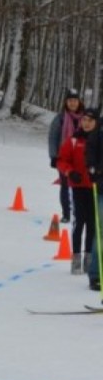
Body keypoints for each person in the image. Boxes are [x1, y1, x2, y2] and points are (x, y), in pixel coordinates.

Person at [56, 108, 97, 275]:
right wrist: (69, 171)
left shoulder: (98, 141)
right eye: (84, 120)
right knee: (78, 223)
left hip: (95, 188)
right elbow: (62, 160)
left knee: (93, 224)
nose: (86, 123)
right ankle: (76, 259)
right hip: (78, 188)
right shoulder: (73, 140)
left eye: (90, 120)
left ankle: (89, 259)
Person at [48, 88, 84, 223]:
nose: (73, 103)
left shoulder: (85, 117)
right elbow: (53, 137)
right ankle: (66, 214)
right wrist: (53, 156)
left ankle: (79, 212)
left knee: (80, 186)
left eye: (75, 100)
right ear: (66, 102)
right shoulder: (60, 118)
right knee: (64, 185)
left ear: (79, 102)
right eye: (70, 101)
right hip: (63, 158)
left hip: (80, 158)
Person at [85, 109, 103, 290]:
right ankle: (96, 274)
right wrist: (93, 169)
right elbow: (89, 153)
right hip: (102, 188)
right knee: (101, 232)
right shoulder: (98, 133)